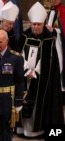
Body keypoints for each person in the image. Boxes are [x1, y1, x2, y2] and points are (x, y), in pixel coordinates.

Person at [16, 2, 64, 138]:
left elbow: (50, 61)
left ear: (43, 25)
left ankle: (37, 130)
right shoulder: (24, 37)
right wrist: (26, 71)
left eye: (39, 24)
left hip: (40, 79)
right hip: (24, 78)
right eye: (34, 24)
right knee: (24, 100)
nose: (36, 27)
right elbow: (19, 56)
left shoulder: (49, 40)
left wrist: (35, 72)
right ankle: (22, 129)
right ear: (30, 24)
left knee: (38, 104)